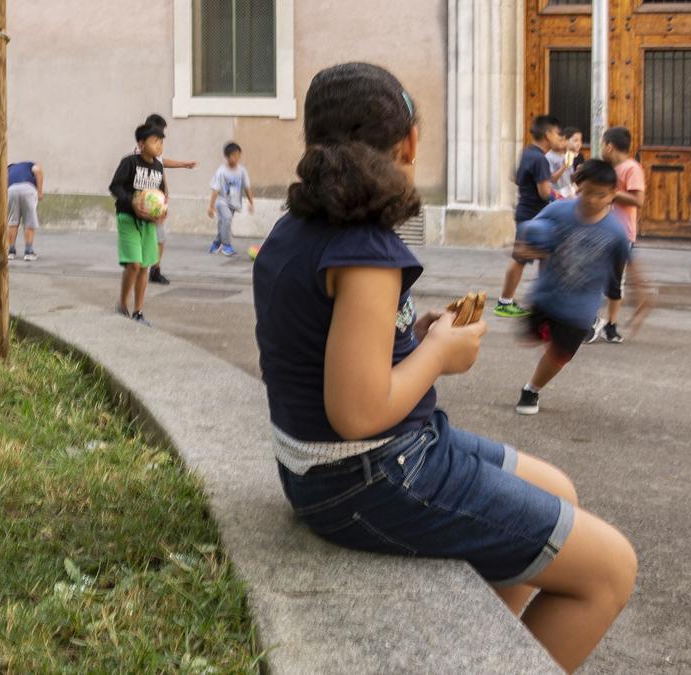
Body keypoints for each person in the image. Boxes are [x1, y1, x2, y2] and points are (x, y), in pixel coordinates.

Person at [253, 63, 634, 674]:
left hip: (328, 466)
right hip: (371, 473)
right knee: (611, 568)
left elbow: (321, 344)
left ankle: (476, 653)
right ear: (408, 144)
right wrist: (439, 355)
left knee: (557, 489)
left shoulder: (295, 231)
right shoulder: (366, 249)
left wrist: (410, 334)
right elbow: (356, 413)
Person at [513, 160, 634, 415]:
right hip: (546, 295)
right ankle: (547, 333)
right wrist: (526, 248)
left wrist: (641, 292)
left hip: (580, 309)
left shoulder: (616, 231)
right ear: (578, 188)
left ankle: (531, 389)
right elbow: (528, 235)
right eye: (586, 192)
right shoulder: (558, 211)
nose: (592, 200)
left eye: (600, 195)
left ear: (613, 195)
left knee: (559, 356)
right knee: (528, 337)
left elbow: (627, 263)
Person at [494, 115, 564, 318]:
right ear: (548, 134)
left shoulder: (527, 153)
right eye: (557, 134)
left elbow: (515, 177)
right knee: (522, 259)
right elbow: (544, 192)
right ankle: (505, 302)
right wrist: (560, 197)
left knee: (544, 257)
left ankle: (539, 302)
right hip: (536, 216)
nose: (559, 138)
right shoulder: (540, 158)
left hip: (526, 213)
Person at [586, 126, 646, 344]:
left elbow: (638, 200)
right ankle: (592, 321)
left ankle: (610, 325)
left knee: (614, 283)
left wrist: (610, 193)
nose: (601, 149)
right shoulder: (608, 170)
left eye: (602, 145)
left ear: (609, 146)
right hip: (600, 231)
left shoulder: (631, 168)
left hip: (621, 234)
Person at [110, 124, 166, 327]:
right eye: (155, 141)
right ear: (141, 144)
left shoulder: (158, 168)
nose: (159, 146)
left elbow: (159, 194)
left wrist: (162, 210)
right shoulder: (129, 163)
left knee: (144, 266)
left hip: (148, 223)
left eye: (161, 142)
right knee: (133, 264)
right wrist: (132, 201)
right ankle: (122, 304)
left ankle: (138, 311)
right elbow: (114, 186)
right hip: (127, 218)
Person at [140, 114, 196, 285]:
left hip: (158, 203)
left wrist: (183, 164)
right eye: (160, 132)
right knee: (154, 238)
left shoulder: (154, 151)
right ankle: (147, 270)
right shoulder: (143, 152)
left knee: (159, 239)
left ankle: (153, 270)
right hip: (149, 203)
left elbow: (162, 163)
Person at [207, 142, 254, 256]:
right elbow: (216, 189)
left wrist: (251, 202)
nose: (236, 158)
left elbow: (247, 187)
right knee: (227, 219)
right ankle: (226, 246)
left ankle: (217, 242)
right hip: (221, 201)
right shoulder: (221, 171)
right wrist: (211, 206)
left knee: (224, 224)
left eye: (238, 155)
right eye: (234, 155)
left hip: (234, 203)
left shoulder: (242, 171)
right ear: (227, 157)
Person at [6, 160, 43, 261]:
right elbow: (37, 170)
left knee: (12, 221)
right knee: (29, 221)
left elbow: (3, 181)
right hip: (28, 188)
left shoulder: (8, 169)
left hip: (11, 190)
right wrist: (40, 192)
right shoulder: (29, 165)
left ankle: (11, 252)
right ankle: (29, 252)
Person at [545, 130, 575, 200]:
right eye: (560, 140)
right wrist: (564, 166)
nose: (563, 143)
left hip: (569, 192)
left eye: (565, 140)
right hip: (556, 193)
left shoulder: (566, 155)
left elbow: (571, 176)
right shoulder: (548, 157)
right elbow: (552, 179)